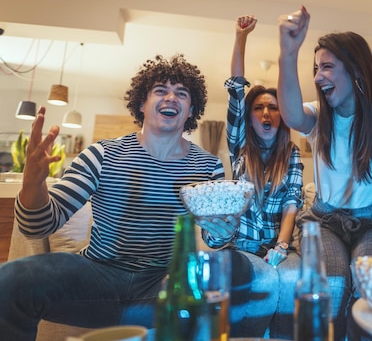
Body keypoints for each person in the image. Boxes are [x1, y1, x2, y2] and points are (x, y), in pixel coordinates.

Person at [0, 54, 251, 341]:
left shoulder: (207, 167)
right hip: (96, 278)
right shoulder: (102, 154)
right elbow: (39, 226)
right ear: (141, 104)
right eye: (160, 90)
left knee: (238, 268)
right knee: (10, 280)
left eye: (181, 94)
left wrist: (224, 231)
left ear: (191, 109)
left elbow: (215, 238)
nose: (171, 98)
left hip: (166, 286)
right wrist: (33, 183)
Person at [277, 6, 372, 341]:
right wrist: (288, 53)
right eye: (315, 68)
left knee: (370, 284)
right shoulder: (317, 116)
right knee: (334, 285)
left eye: (326, 67)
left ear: (353, 69)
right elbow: (292, 115)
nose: (317, 76)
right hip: (324, 221)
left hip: (370, 223)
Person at [200, 15, 304, 338]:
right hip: (241, 247)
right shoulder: (240, 147)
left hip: (277, 247)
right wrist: (240, 37)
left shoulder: (293, 155)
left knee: (289, 280)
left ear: (282, 116)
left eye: (273, 107)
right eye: (258, 108)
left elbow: (292, 204)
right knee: (261, 281)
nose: (265, 113)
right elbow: (235, 90)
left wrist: (283, 244)